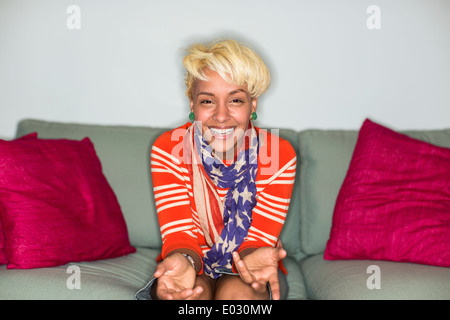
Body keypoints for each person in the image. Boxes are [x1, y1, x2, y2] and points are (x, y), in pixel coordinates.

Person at [135, 39, 297, 300]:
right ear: (192, 104)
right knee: (189, 295)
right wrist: (184, 261)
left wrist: (251, 260)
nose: (221, 116)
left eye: (235, 100)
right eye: (208, 101)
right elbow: (179, 236)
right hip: (190, 261)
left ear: (252, 104)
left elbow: (255, 241)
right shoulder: (167, 149)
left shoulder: (279, 155)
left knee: (237, 295)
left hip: (249, 264)